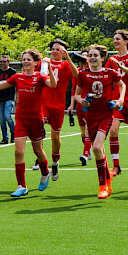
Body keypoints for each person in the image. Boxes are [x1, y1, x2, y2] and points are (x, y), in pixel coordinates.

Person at [0, 49, 57, 197]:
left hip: (36, 120)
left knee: (38, 150)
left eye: (28, 60)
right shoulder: (17, 77)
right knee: (18, 151)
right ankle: (21, 186)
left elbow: (53, 85)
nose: (25, 62)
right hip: (21, 119)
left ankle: (45, 171)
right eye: (23, 59)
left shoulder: (40, 77)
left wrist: (49, 67)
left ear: (36, 63)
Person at [72, 45, 125, 199]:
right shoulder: (83, 74)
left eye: (96, 55)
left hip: (106, 115)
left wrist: (120, 100)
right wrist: (82, 101)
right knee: (99, 150)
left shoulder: (110, 73)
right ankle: (107, 177)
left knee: (96, 147)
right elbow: (76, 95)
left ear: (102, 58)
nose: (93, 57)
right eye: (90, 55)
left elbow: (123, 85)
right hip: (91, 117)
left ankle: (102, 186)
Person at [104, 30, 128, 184]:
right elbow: (106, 77)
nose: (115, 41)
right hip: (116, 99)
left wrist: (121, 66)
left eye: (118, 39)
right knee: (113, 130)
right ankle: (116, 166)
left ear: (126, 41)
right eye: (114, 39)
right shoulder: (111, 59)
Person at [40, 40, 79, 181]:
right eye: (53, 49)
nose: (55, 51)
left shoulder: (66, 64)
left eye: (58, 49)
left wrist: (68, 58)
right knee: (39, 125)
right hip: (43, 102)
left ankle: (55, 162)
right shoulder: (44, 63)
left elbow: (77, 76)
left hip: (57, 105)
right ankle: (40, 156)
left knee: (55, 137)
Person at [69, 49, 92, 165]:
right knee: (83, 133)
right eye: (82, 55)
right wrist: (71, 104)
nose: (84, 58)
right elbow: (74, 89)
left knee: (88, 131)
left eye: (86, 56)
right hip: (79, 103)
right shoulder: (77, 72)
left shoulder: (93, 71)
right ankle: (88, 148)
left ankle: (85, 154)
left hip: (90, 104)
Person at [0, 54, 16, 144]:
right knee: (2, 119)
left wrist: (17, 98)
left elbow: (16, 85)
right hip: (0, 98)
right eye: (1, 61)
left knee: (7, 116)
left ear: (8, 62)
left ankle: (13, 134)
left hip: (9, 98)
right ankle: (5, 138)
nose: (2, 63)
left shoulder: (12, 72)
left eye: (4, 61)